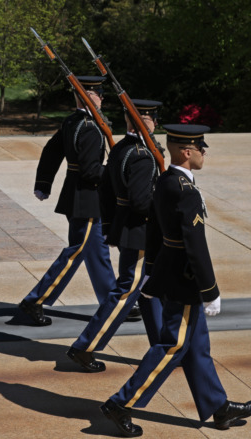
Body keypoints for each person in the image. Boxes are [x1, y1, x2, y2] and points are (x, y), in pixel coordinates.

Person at [100, 124, 251, 437]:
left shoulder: (166, 181)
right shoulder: (184, 191)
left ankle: (218, 406)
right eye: (201, 147)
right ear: (188, 152)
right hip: (185, 281)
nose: (204, 152)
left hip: (169, 275)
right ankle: (121, 403)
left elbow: (156, 231)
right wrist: (209, 290)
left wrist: (151, 272)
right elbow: (195, 245)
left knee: (197, 345)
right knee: (172, 346)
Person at [66, 100, 165, 372]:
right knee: (125, 292)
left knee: (149, 290)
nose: (153, 123)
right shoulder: (143, 156)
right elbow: (142, 202)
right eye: (151, 119)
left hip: (126, 230)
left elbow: (106, 193)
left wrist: (110, 227)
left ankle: (162, 344)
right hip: (141, 233)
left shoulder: (122, 148)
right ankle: (84, 347)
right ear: (148, 122)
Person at [19, 76, 117, 326]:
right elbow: (91, 171)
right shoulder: (90, 127)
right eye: (97, 93)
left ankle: (112, 302)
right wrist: (117, 174)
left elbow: (52, 150)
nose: (102, 98)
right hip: (87, 198)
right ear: (86, 96)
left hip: (77, 197)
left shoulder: (74, 121)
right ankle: (35, 300)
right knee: (78, 252)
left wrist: (44, 184)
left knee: (97, 252)